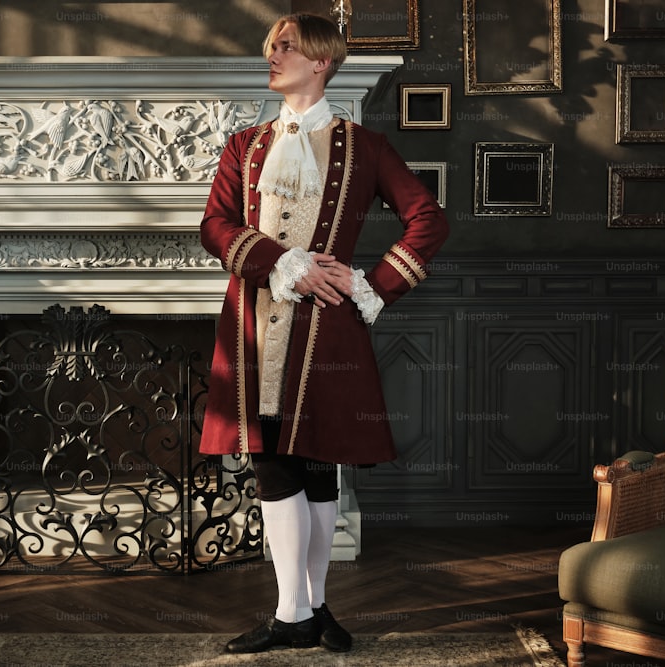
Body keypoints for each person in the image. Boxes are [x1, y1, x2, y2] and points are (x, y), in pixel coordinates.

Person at [198, 12, 449, 654]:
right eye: (271, 46)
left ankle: (300, 614)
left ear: (321, 62)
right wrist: (279, 261)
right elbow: (215, 227)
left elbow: (428, 220)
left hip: (327, 329)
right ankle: (301, 610)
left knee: (316, 468)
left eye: (287, 47)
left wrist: (371, 286)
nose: (273, 55)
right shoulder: (243, 146)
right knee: (273, 462)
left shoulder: (365, 147)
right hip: (253, 325)